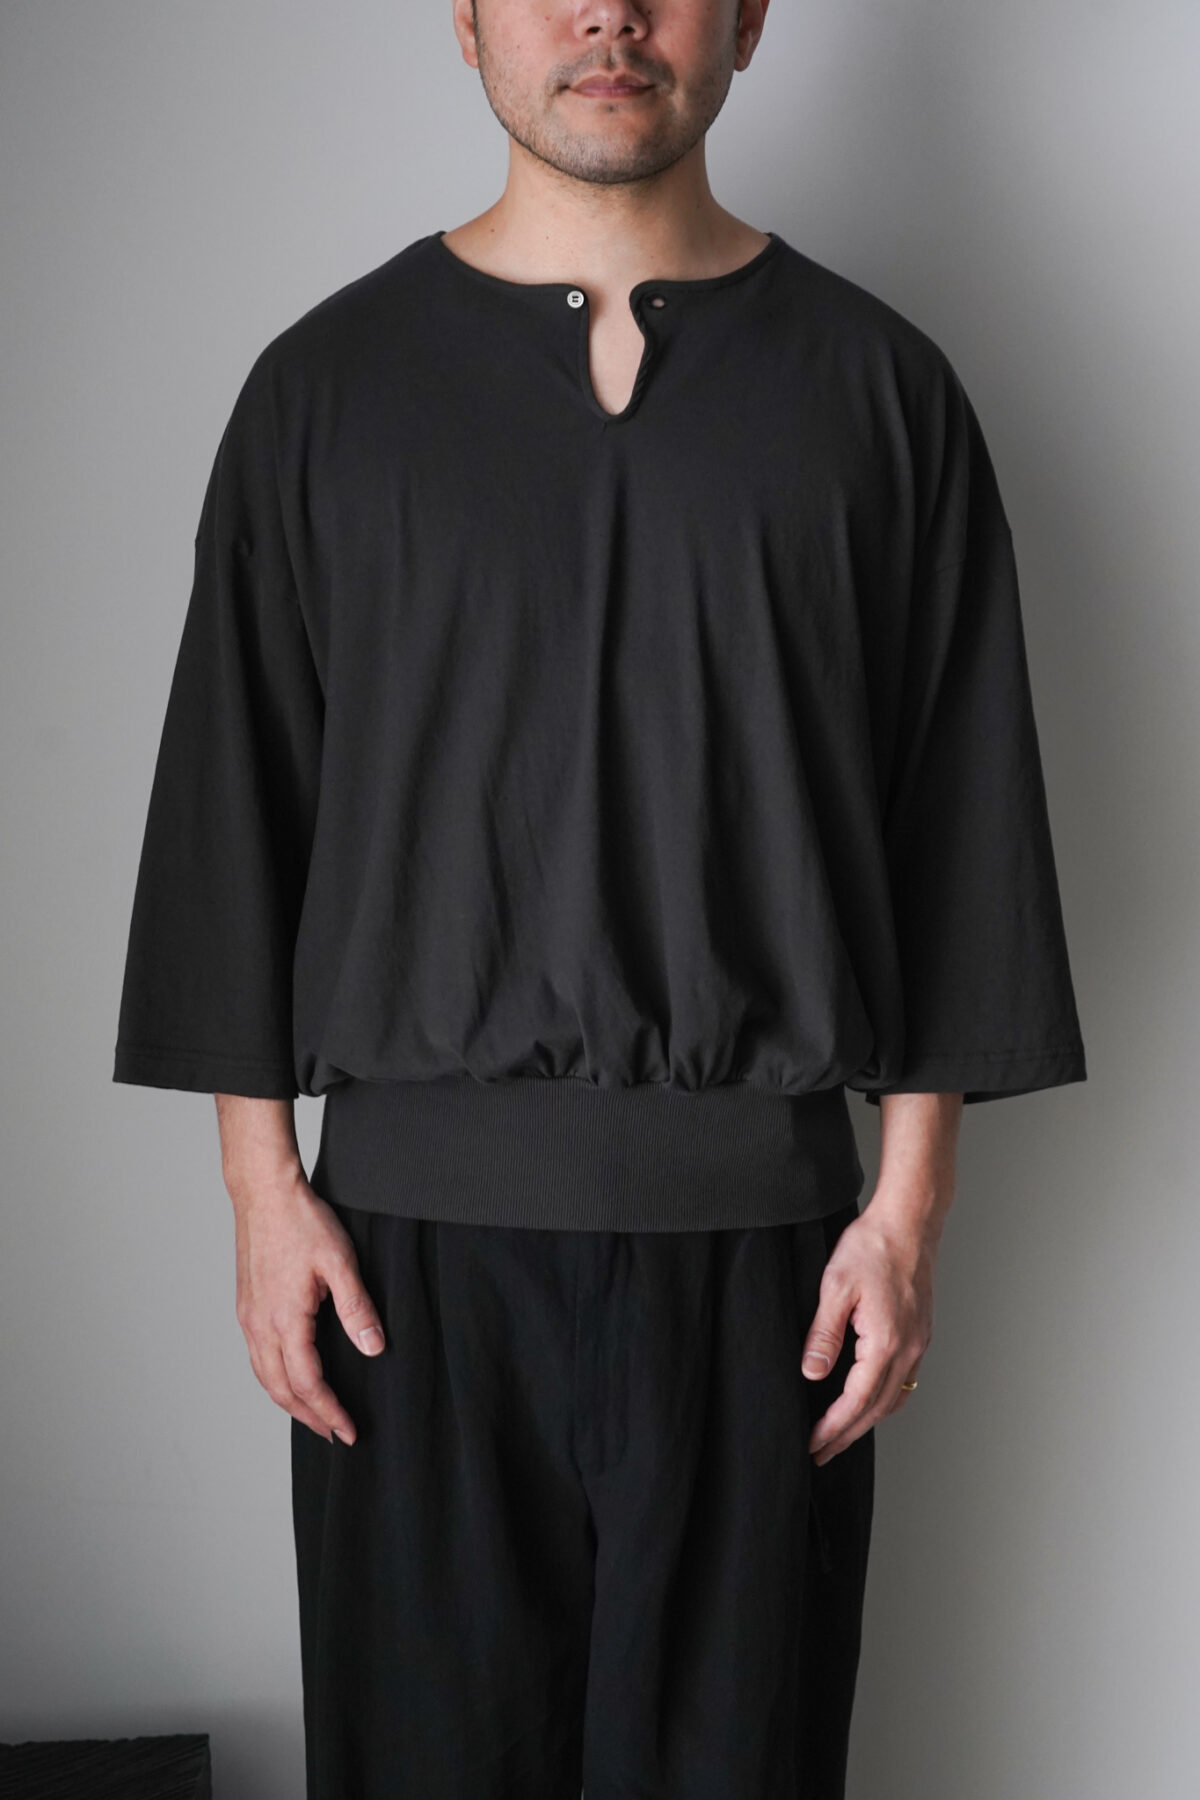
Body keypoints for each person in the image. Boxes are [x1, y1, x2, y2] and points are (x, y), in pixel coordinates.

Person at [112, 1, 1087, 1794]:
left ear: (750, 21)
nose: (608, 15)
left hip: (772, 1271)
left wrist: (909, 1212)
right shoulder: (324, 392)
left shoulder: (882, 393)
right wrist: (262, 1194)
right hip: (403, 1272)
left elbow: (962, 829)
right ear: (468, 21)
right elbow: (235, 810)